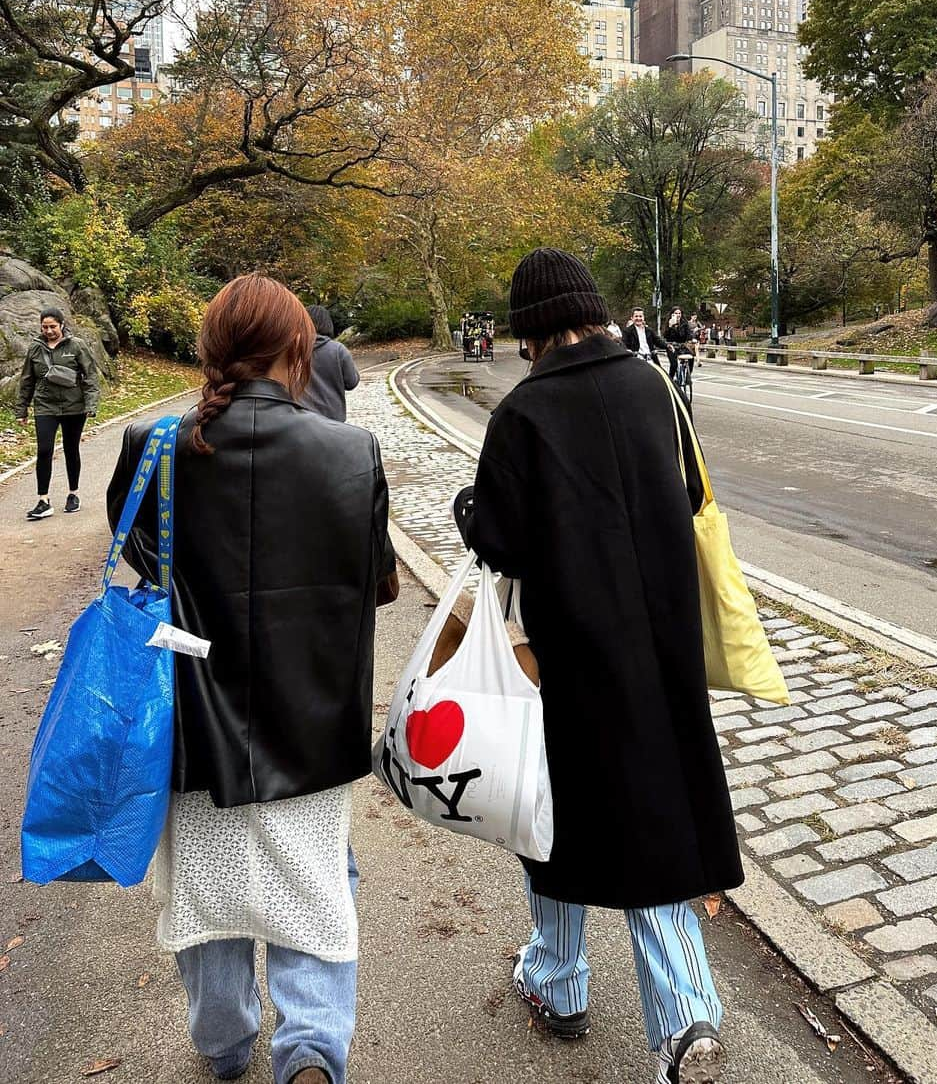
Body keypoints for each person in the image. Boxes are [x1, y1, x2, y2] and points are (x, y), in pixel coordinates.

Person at [454, 248, 741, 1084]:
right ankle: (684, 1017)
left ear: (528, 331)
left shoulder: (524, 414)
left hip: (571, 658)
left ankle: (562, 981)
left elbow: (500, 540)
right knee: (654, 818)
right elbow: (689, 495)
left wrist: (469, 507)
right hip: (662, 643)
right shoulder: (653, 386)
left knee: (548, 817)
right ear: (592, 306)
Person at [107, 274, 397, 1084]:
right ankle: (308, 1046)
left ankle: (225, 1043)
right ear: (301, 349)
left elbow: (139, 557)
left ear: (209, 351)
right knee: (315, 885)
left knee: (203, 895)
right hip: (311, 719)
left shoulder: (152, 446)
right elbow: (378, 578)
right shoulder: (351, 451)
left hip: (192, 720)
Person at [16, 306, 100, 521]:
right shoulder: (35, 348)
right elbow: (27, 380)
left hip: (74, 406)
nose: (49, 331)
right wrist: (22, 409)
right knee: (44, 450)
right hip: (45, 406)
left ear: (62, 325)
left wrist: (91, 404)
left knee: (71, 449)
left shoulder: (76, 345)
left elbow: (90, 375)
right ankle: (43, 500)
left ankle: (73, 494)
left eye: (52, 326)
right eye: (44, 327)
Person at [301, 305, 360, 422]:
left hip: (302, 418)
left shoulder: (293, 350)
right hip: (333, 419)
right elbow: (352, 382)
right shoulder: (338, 350)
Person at [664, 306, 693, 379]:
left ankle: (687, 377)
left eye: (679, 313)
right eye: (676, 313)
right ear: (672, 314)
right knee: (674, 364)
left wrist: (691, 339)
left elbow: (688, 334)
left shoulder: (684, 323)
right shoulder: (669, 323)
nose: (678, 315)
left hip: (682, 345)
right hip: (672, 346)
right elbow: (665, 336)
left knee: (691, 358)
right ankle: (670, 379)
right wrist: (671, 326)